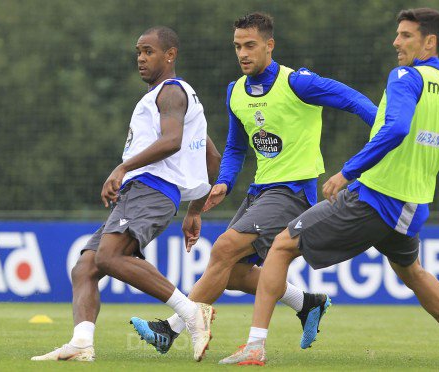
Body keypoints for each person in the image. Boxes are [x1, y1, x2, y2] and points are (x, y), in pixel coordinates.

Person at [220, 8, 439, 369]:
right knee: (414, 273)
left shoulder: (405, 77)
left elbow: (395, 129)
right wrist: (428, 151)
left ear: (430, 42)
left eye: (406, 35)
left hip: (374, 197)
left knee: (282, 246)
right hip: (412, 207)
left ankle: (255, 346)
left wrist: (347, 172)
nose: (396, 42)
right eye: (398, 34)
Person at [131, 12, 378, 355]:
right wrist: (225, 183)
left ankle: (170, 329)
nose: (242, 53)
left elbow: (353, 100)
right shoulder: (235, 92)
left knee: (222, 249)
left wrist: (383, 134)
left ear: (269, 45)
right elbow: (235, 147)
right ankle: (306, 302)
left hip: (292, 191)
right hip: (260, 191)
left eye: (250, 45)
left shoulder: (298, 83)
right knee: (230, 273)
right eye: (237, 46)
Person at [31, 26, 221, 363]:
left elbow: (172, 141)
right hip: (148, 193)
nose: (141, 58)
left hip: (150, 188)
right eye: (139, 51)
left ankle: (191, 314)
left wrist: (122, 168)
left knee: (109, 257)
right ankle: (81, 343)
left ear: (170, 54)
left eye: (149, 51)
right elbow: (212, 158)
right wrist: (195, 210)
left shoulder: (171, 92)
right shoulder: (181, 98)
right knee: (86, 267)